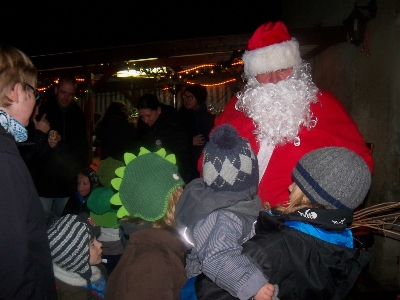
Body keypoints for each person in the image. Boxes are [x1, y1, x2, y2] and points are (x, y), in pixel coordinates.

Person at [204, 20, 374, 208]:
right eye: (264, 72)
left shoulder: (325, 105)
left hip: (298, 223)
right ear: (253, 75)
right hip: (236, 217)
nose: (275, 79)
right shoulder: (235, 107)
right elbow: (209, 158)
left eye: (283, 69)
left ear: (295, 68)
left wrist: (321, 206)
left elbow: (359, 165)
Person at [193, 147, 372, 300]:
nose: (290, 187)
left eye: (298, 184)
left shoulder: (272, 248)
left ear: (313, 196)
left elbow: (207, 290)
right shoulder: (345, 250)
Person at [175, 124, 278, 300]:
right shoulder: (225, 216)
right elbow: (218, 256)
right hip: (209, 289)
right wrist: (254, 285)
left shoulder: (238, 205)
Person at [0, 44, 57, 299]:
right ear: (15, 92)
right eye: (33, 92)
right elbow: (11, 268)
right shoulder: (3, 159)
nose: (36, 104)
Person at [105, 147, 188, 300]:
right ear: (159, 206)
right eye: (179, 193)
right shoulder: (152, 262)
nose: (185, 198)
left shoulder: (155, 248)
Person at [32, 75, 90, 218]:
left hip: (67, 184)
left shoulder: (78, 115)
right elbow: (33, 147)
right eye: (63, 93)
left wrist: (78, 171)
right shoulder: (43, 112)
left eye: (70, 94)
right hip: (44, 184)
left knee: (64, 225)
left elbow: (83, 147)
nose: (66, 97)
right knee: (43, 225)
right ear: (56, 90)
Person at [134, 93, 192, 183]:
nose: (145, 120)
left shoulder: (173, 126)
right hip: (150, 177)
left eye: (149, 116)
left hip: (172, 177)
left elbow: (182, 159)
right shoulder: (142, 129)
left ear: (158, 110)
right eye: (142, 117)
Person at [47, 212, 107, 299]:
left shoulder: (95, 266)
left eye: (96, 239)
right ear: (75, 257)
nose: (100, 244)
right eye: (92, 243)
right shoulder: (76, 296)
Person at [178, 84, 216, 181]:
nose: (187, 100)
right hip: (186, 164)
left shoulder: (208, 117)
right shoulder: (180, 117)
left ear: (198, 98)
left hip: (205, 162)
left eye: (191, 97)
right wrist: (190, 142)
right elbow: (173, 140)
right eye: (185, 96)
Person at [18, 97, 61, 169]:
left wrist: (49, 144)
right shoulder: (14, 128)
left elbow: (35, 158)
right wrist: (39, 134)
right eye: (34, 107)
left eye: (38, 107)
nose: (37, 112)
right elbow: (23, 162)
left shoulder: (31, 125)